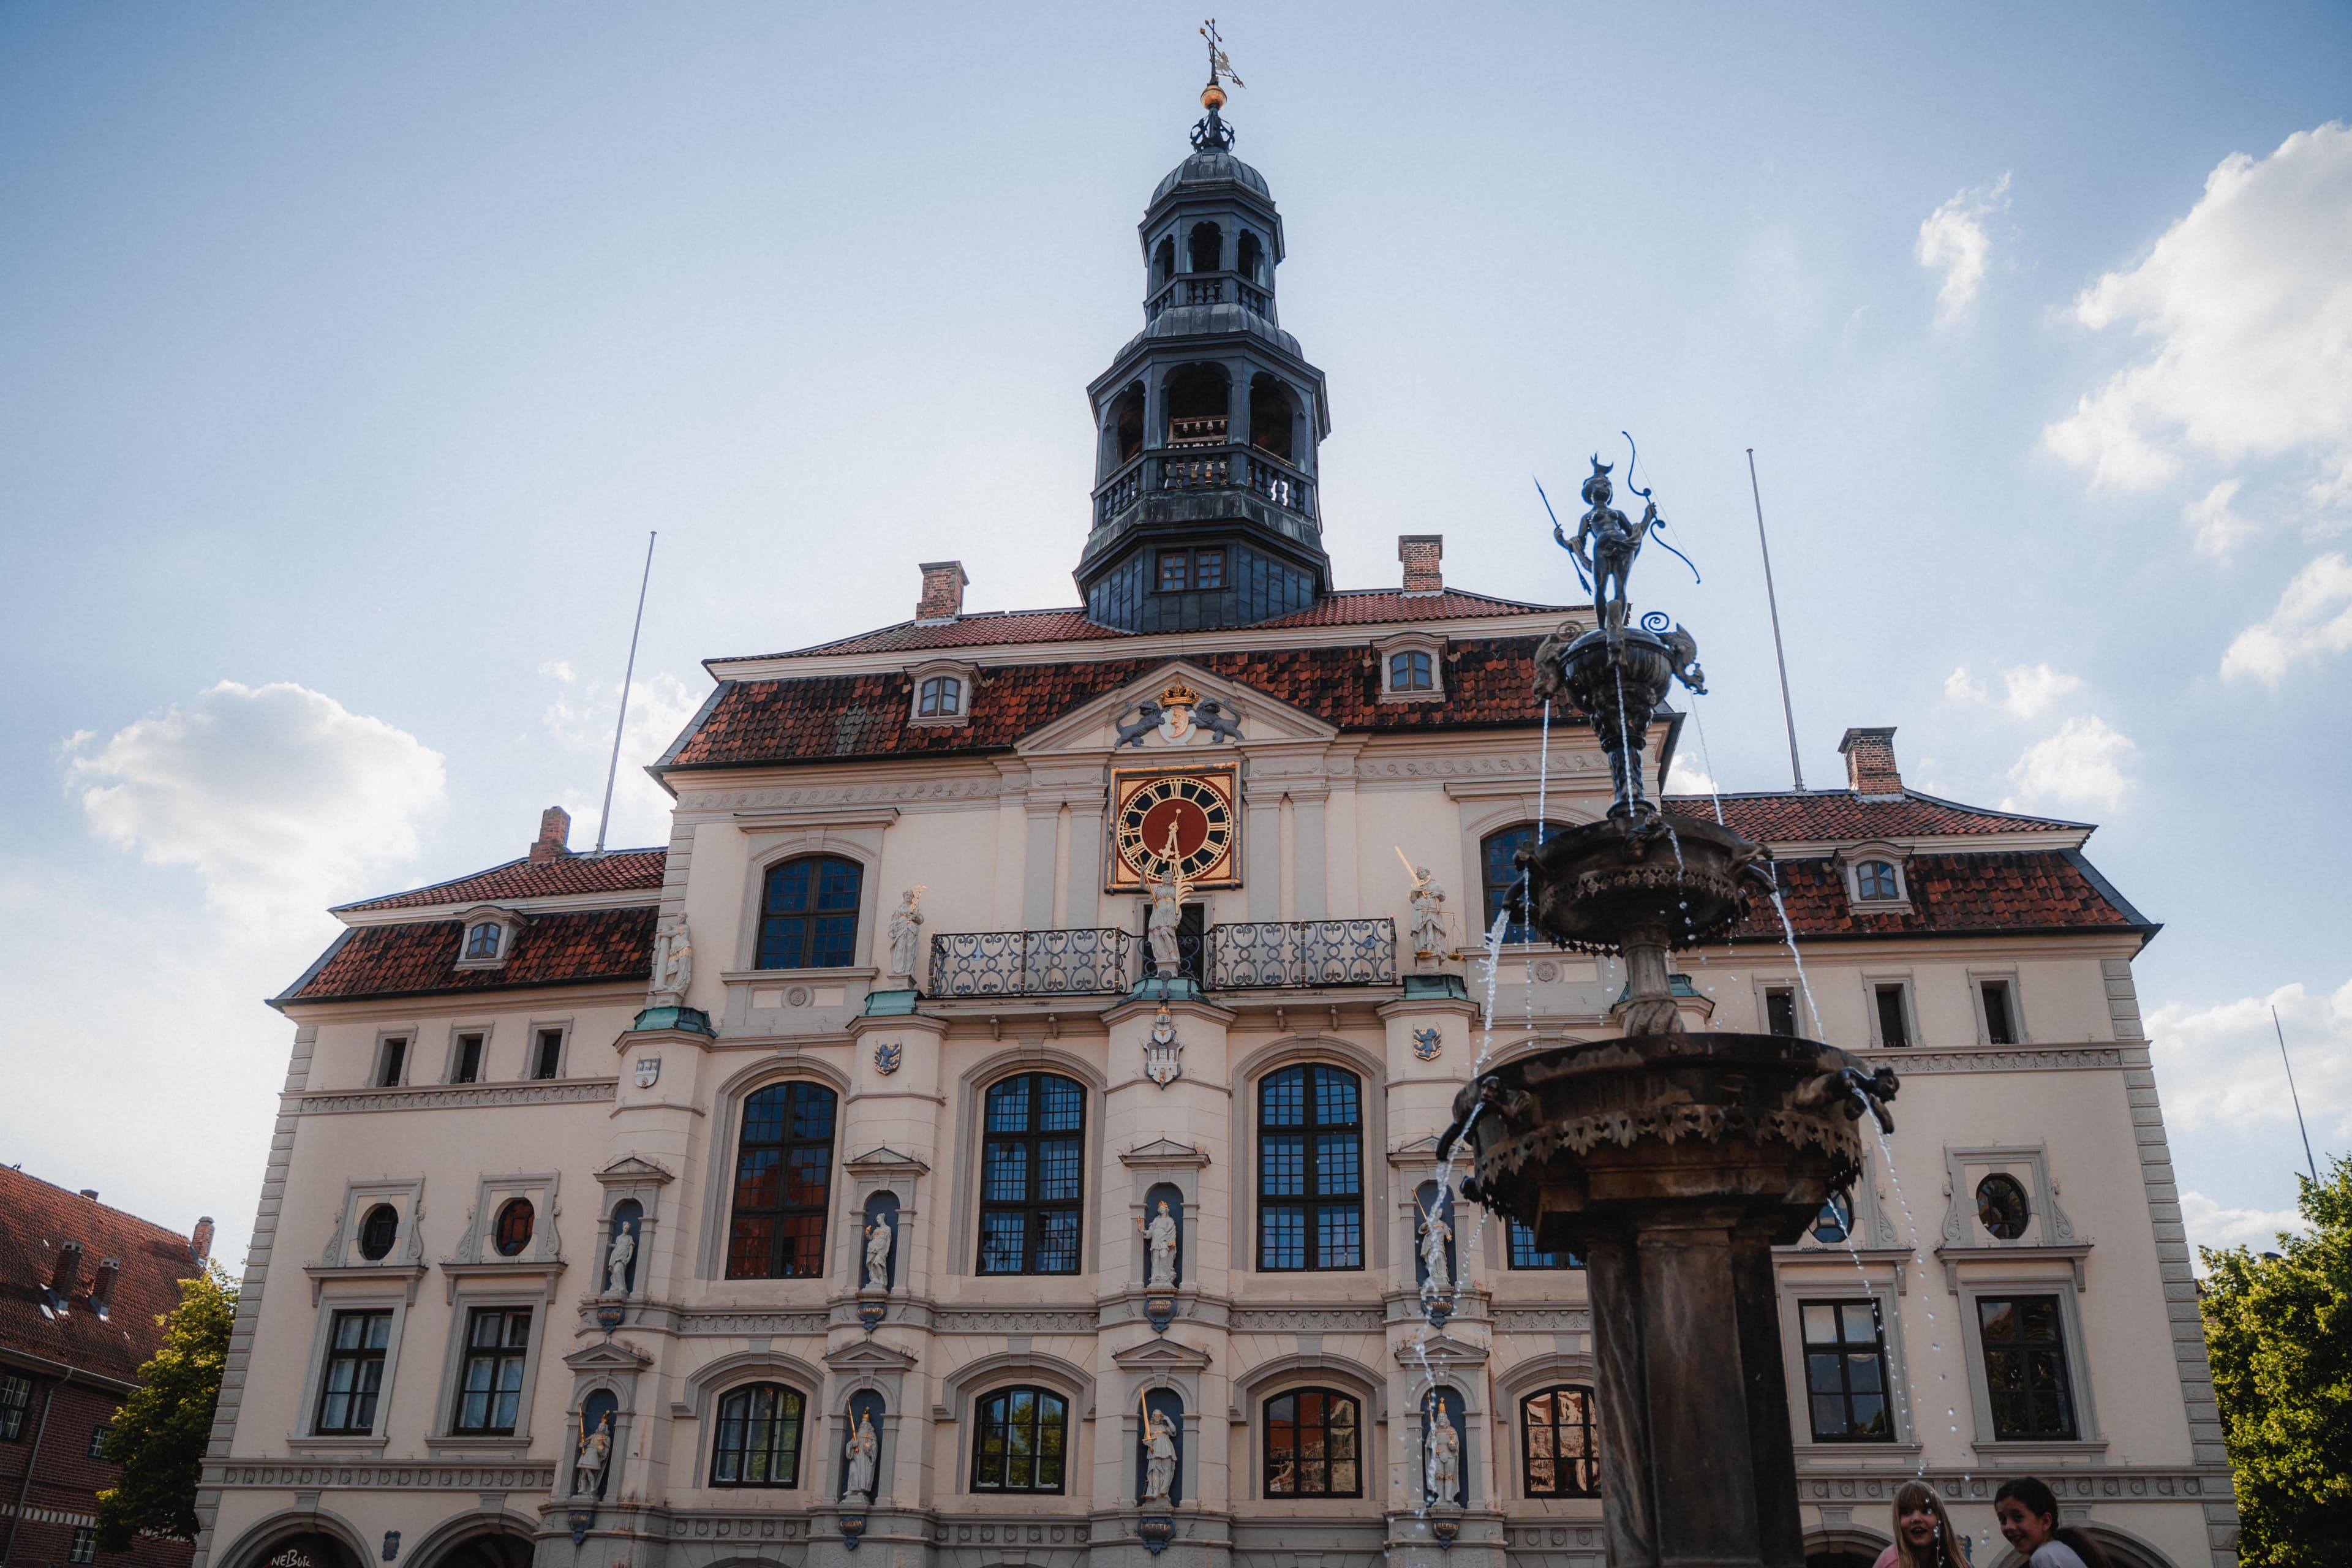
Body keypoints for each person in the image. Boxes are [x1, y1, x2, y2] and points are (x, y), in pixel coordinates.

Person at [1994, 1477, 2110, 1568]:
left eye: (2018, 1517)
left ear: (2045, 1521)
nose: (2009, 1527)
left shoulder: (2044, 1556)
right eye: (2003, 1520)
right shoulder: (2062, 1551)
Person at [1871, 1480, 1968, 1568]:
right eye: (1907, 1512)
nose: (1916, 1518)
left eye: (1926, 1511)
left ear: (1940, 1519)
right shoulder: (1891, 1562)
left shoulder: (1957, 1563)